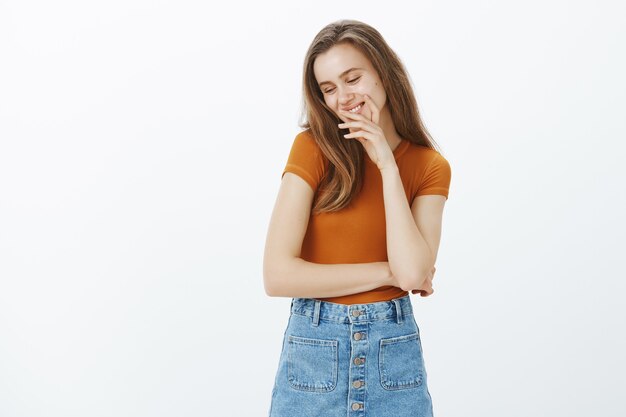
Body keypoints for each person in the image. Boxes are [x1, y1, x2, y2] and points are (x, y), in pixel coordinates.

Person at [263, 19, 451, 417]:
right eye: (329, 89)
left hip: (393, 356)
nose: (343, 97)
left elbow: (414, 271)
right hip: (314, 354)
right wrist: (387, 273)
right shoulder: (312, 148)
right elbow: (278, 275)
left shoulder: (428, 166)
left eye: (353, 78)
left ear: (383, 71)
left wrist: (385, 163)